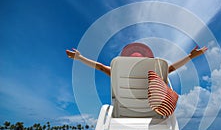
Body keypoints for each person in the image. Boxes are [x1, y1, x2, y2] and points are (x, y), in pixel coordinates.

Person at [66, 42, 207, 76]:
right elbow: (171, 68)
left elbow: (101, 67)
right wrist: (190, 57)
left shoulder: (119, 74)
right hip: (150, 107)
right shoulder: (152, 74)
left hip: (125, 106)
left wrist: (80, 58)